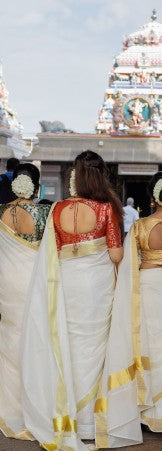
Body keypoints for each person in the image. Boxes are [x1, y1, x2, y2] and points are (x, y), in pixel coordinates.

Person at [22, 151, 123, 449]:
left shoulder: (57, 209)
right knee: (95, 347)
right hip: (97, 286)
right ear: (100, 176)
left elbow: (51, 251)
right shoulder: (106, 210)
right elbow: (116, 255)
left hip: (66, 282)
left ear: (76, 176)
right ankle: (90, 421)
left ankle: (65, 416)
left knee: (68, 343)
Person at [96, 171, 162, 448]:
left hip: (149, 285)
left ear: (152, 197)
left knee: (150, 345)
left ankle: (148, 412)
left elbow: (128, 267)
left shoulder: (141, 227)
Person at [0, 163, 51, 440]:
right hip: (33, 282)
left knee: (9, 339)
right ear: (36, 185)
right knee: (35, 340)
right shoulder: (45, 213)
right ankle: (35, 406)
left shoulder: (0, 212)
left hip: (7, 283)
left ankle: (9, 408)